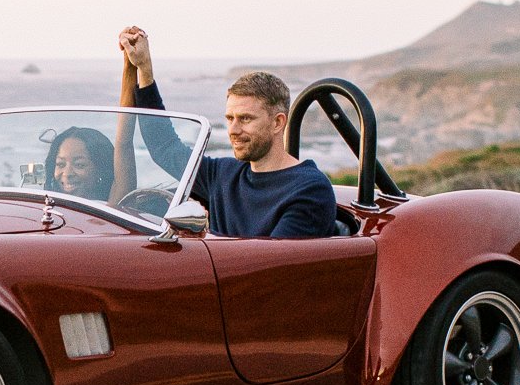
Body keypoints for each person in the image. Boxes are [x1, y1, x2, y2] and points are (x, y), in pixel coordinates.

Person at [117, 26, 336, 238]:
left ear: (278, 123)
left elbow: (269, 267)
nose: (233, 130)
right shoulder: (223, 175)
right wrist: (144, 69)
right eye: (230, 118)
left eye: (246, 119)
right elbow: (164, 148)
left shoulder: (309, 190)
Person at [45, 125, 115, 201]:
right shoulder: (45, 209)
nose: (67, 173)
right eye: (61, 164)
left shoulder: (114, 210)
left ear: (100, 170)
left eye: (79, 165)